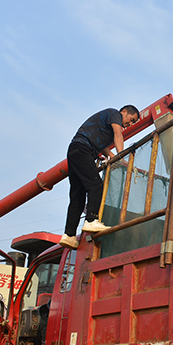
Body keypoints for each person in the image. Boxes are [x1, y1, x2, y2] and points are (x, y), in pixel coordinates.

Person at [60, 105, 140, 250]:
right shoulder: (114, 114)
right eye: (131, 119)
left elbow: (98, 142)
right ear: (124, 112)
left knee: (78, 194)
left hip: (75, 150)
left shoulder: (104, 124)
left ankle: (69, 235)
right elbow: (118, 134)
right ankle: (91, 219)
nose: (130, 124)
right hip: (83, 150)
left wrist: (110, 155)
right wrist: (121, 157)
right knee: (96, 185)